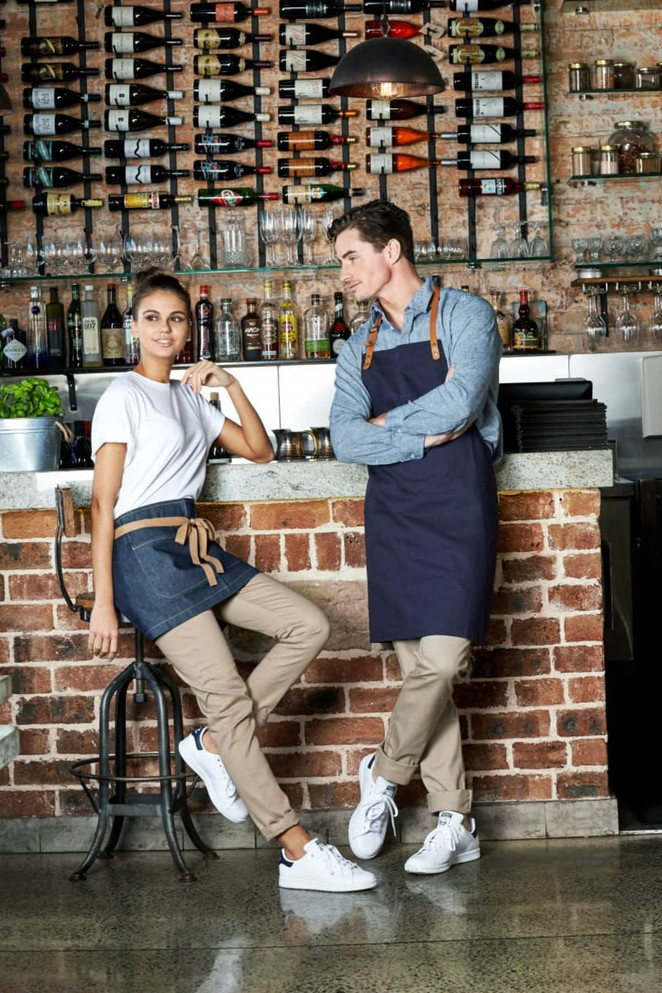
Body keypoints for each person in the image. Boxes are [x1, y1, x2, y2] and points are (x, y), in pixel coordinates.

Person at [88, 269, 376, 893]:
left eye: (177, 319)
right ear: (133, 326)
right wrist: (104, 603)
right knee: (224, 693)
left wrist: (232, 384)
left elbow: (259, 450)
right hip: (143, 554)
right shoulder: (122, 396)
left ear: (190, 328)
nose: (166, 329)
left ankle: (215, 744)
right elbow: (103, 505)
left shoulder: (193, 398)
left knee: (310, 624)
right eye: (152, 318)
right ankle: (297, 851)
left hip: (193, 544)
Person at [328, 201, 502, 876]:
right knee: (422, 675)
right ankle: (455, 819)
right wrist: (420, 435)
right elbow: (346, 435)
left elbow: (463, 404)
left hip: (458, 501)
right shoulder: (355, 345)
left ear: (391, 250)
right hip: (396, 512)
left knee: (442, 659)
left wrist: (387, 427)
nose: (343, 272)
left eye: (350, 256)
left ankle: (384, 771)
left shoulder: (465, 315)